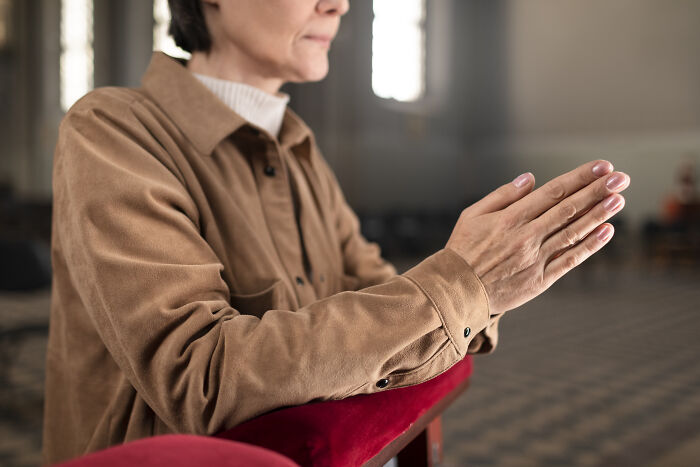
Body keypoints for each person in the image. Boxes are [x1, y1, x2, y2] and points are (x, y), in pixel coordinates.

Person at [42, 0, 630, 464]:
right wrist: (465, 285)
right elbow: (200, 379)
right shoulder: (112, 130)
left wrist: (489, 283)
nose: (339, 5)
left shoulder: (299, 150)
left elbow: (387, 295)